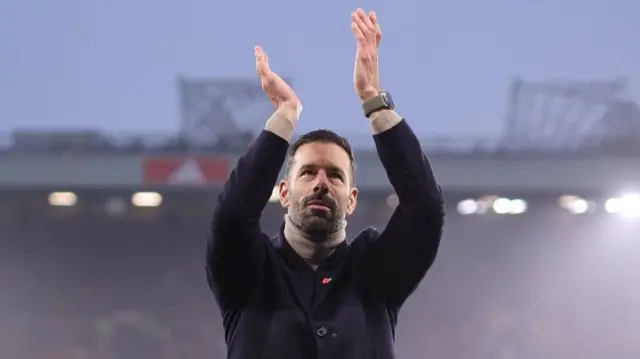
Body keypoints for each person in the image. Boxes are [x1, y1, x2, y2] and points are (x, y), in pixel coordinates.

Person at [206, 8, 445, 359]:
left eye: (335, 175)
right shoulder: (249, 268)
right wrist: (285, 116)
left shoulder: (376, 270)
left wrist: (374, 101)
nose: (321, 183)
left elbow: (424, 209)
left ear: (351, 199)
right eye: (307, 172)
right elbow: (231, 215)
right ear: (284, 193)